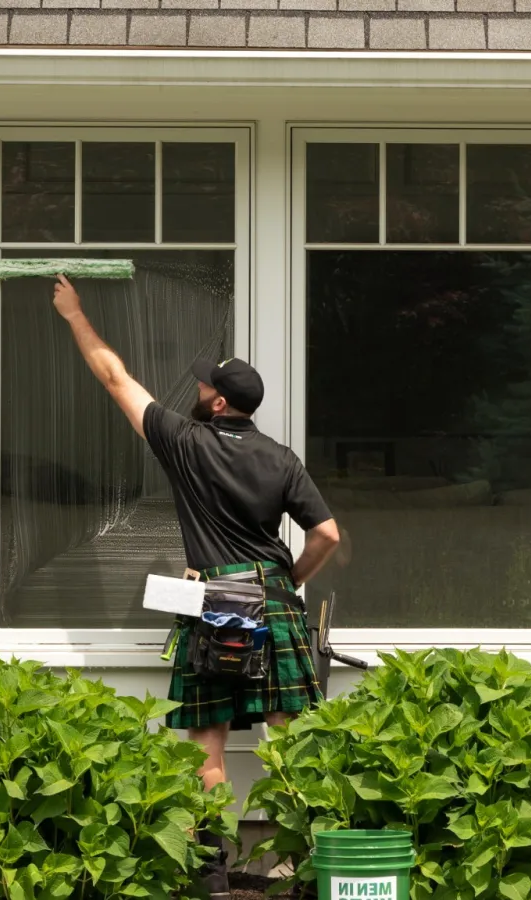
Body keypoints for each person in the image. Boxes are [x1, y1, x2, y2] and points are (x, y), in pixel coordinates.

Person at [50, 274, 340, 899]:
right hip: (272, 599)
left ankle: (211, 876)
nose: (198, 385)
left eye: (205, 382)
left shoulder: (186, 443)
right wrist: (288, 580)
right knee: (289, 738)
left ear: (215, 403)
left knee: (207, 746)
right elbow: (328, 536)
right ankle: (310, 874)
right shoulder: (283, 458)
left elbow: (114, 378)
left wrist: (75, 315)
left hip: (215, 601)